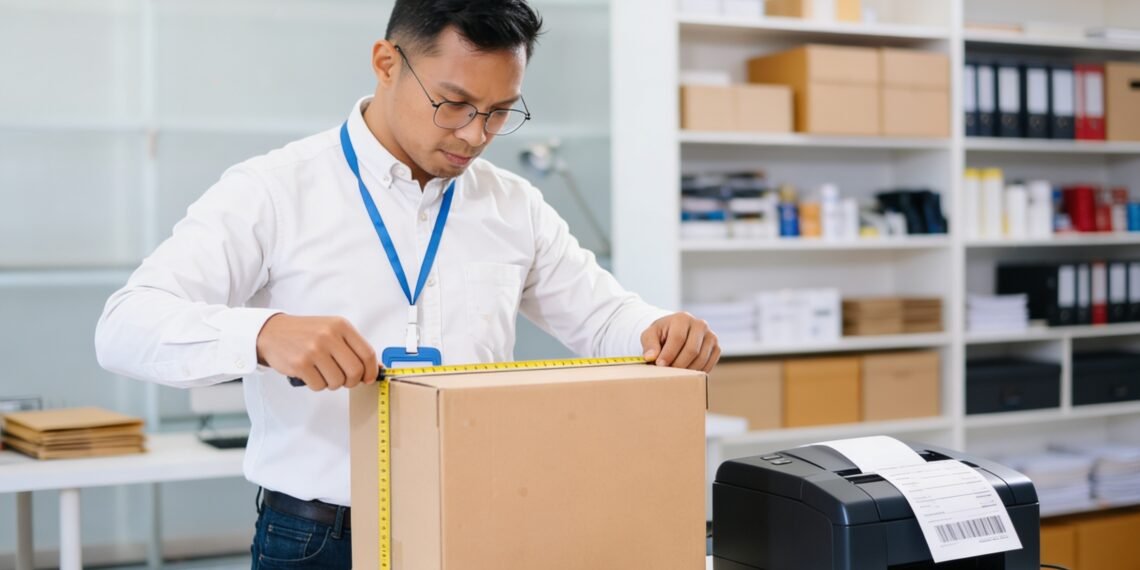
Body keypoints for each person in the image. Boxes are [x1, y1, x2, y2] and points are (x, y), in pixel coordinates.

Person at [95, 0, 720, 567]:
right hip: (320, 539)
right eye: (454, 104)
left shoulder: (514, 206)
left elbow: (603, 317)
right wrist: (264, 333)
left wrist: (658, 329)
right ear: (386, 63)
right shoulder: (274, 190)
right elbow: (125, 326)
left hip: (480, 525)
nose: (476, 134)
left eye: (500, 112)